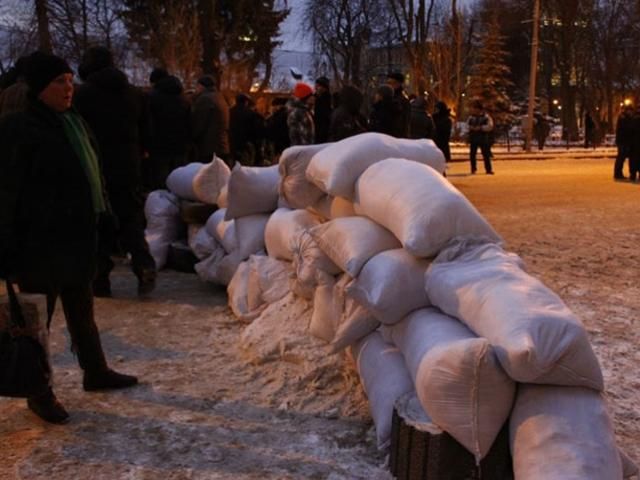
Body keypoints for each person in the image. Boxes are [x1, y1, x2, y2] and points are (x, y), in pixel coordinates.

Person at [0, 51, 138, 424]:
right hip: (38, 244)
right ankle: (37, 391)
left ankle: (95, 371)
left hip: (77, 238)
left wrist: (105, 218)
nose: (68, 88)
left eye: (68, 80)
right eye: (58, 82)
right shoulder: (19, 129)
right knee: (35, 325)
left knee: (82, 311)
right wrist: (6, 251)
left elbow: (93, 174)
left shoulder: (75, 123)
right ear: (39, 88)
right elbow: (6, 193)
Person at [74, 46, 157, 298]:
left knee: (96, 222)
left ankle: (100, 279)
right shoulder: (134, 93)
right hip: (129, 165)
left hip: (94, 166)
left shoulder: (82, 94)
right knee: (130, 218)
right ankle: (144, 264)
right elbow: (148, 132)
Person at [146, 70, 191, 190]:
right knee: (179, 181)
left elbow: (148, 122)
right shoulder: (184, 98)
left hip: (159, 145)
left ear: (154, 82)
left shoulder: (152, 97)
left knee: (161, 182)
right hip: (181, 145)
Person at [191, 74, 231, 166]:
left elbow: (198, 124)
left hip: (208, 147)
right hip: (222, 145)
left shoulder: (204, 99)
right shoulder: (220, 98)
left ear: (201, 86)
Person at [230, 93, 265, 166]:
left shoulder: (229, 112)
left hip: (231, 144)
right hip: (246, 145)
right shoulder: (252, 114)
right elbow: (258, 131)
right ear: (246, 102)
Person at [467, 101, 494, 175]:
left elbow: (490, 126)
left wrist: (481, 128)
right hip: (473, 138)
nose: (475, 110)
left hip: (483, 138)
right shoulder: (471, 117)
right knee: (472, 154)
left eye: (476, 109)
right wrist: (471, 128)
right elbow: (467, 125)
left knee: (485, 154)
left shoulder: (486, 117)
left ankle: (488, 169)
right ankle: (473, 168)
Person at [386, 72, 411, 138]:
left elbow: (405, 121)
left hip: (396, 136)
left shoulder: (403, 99)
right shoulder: (388, 97)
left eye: (392, 83)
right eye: (388, 83)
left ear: (399, 84)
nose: (389, 85)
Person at [614, 105, 634, 180]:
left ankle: (618, 173)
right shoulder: (624, 118)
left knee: (621, 158)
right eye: (630, 111)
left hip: (622, 141)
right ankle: (618, 173)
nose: (631, 113)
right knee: (621, 157)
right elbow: (626, 130)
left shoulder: (623, 117)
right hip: (623, 141)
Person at [314, 76, 332, 144]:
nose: (316, 88)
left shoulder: (327, 101)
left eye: (318, 86)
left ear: (324, 88)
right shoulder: (315, 98)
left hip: (322, 134)